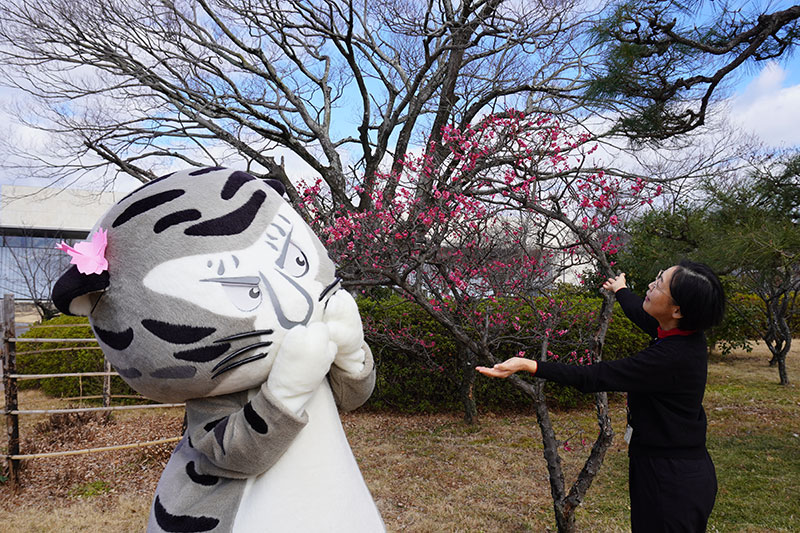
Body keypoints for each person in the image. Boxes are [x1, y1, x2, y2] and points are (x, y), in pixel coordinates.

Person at [476, 260, 725, 532]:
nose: (651, 285)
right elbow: (640, 313)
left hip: (671, 482)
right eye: (658, 277)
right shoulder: (685, 334)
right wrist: (621, 290)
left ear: (677, 310)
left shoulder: (670, 358)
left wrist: (529, 365)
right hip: (674, 466)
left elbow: (594, 377)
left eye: (659, 285)